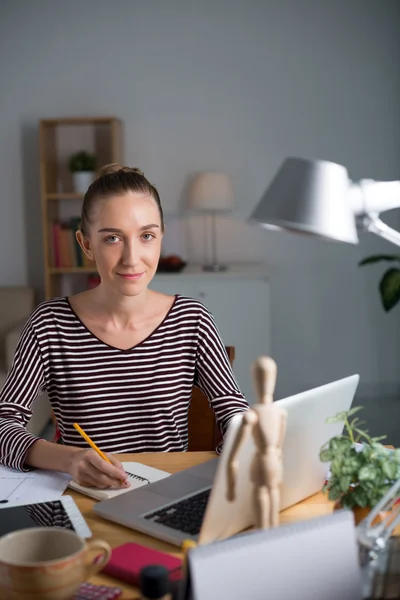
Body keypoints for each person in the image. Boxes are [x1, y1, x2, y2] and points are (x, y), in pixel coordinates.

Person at [0, 164, 248, 489]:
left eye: (146, 236)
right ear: (86, 244)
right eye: (113, 238)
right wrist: (69, 459)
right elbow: (4, 425)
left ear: (160, 238)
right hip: (82, 503)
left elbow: (234, 410)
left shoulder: (192, 319)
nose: (132, 258)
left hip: (166, 500)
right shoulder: (50, 325)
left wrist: (242, 439)